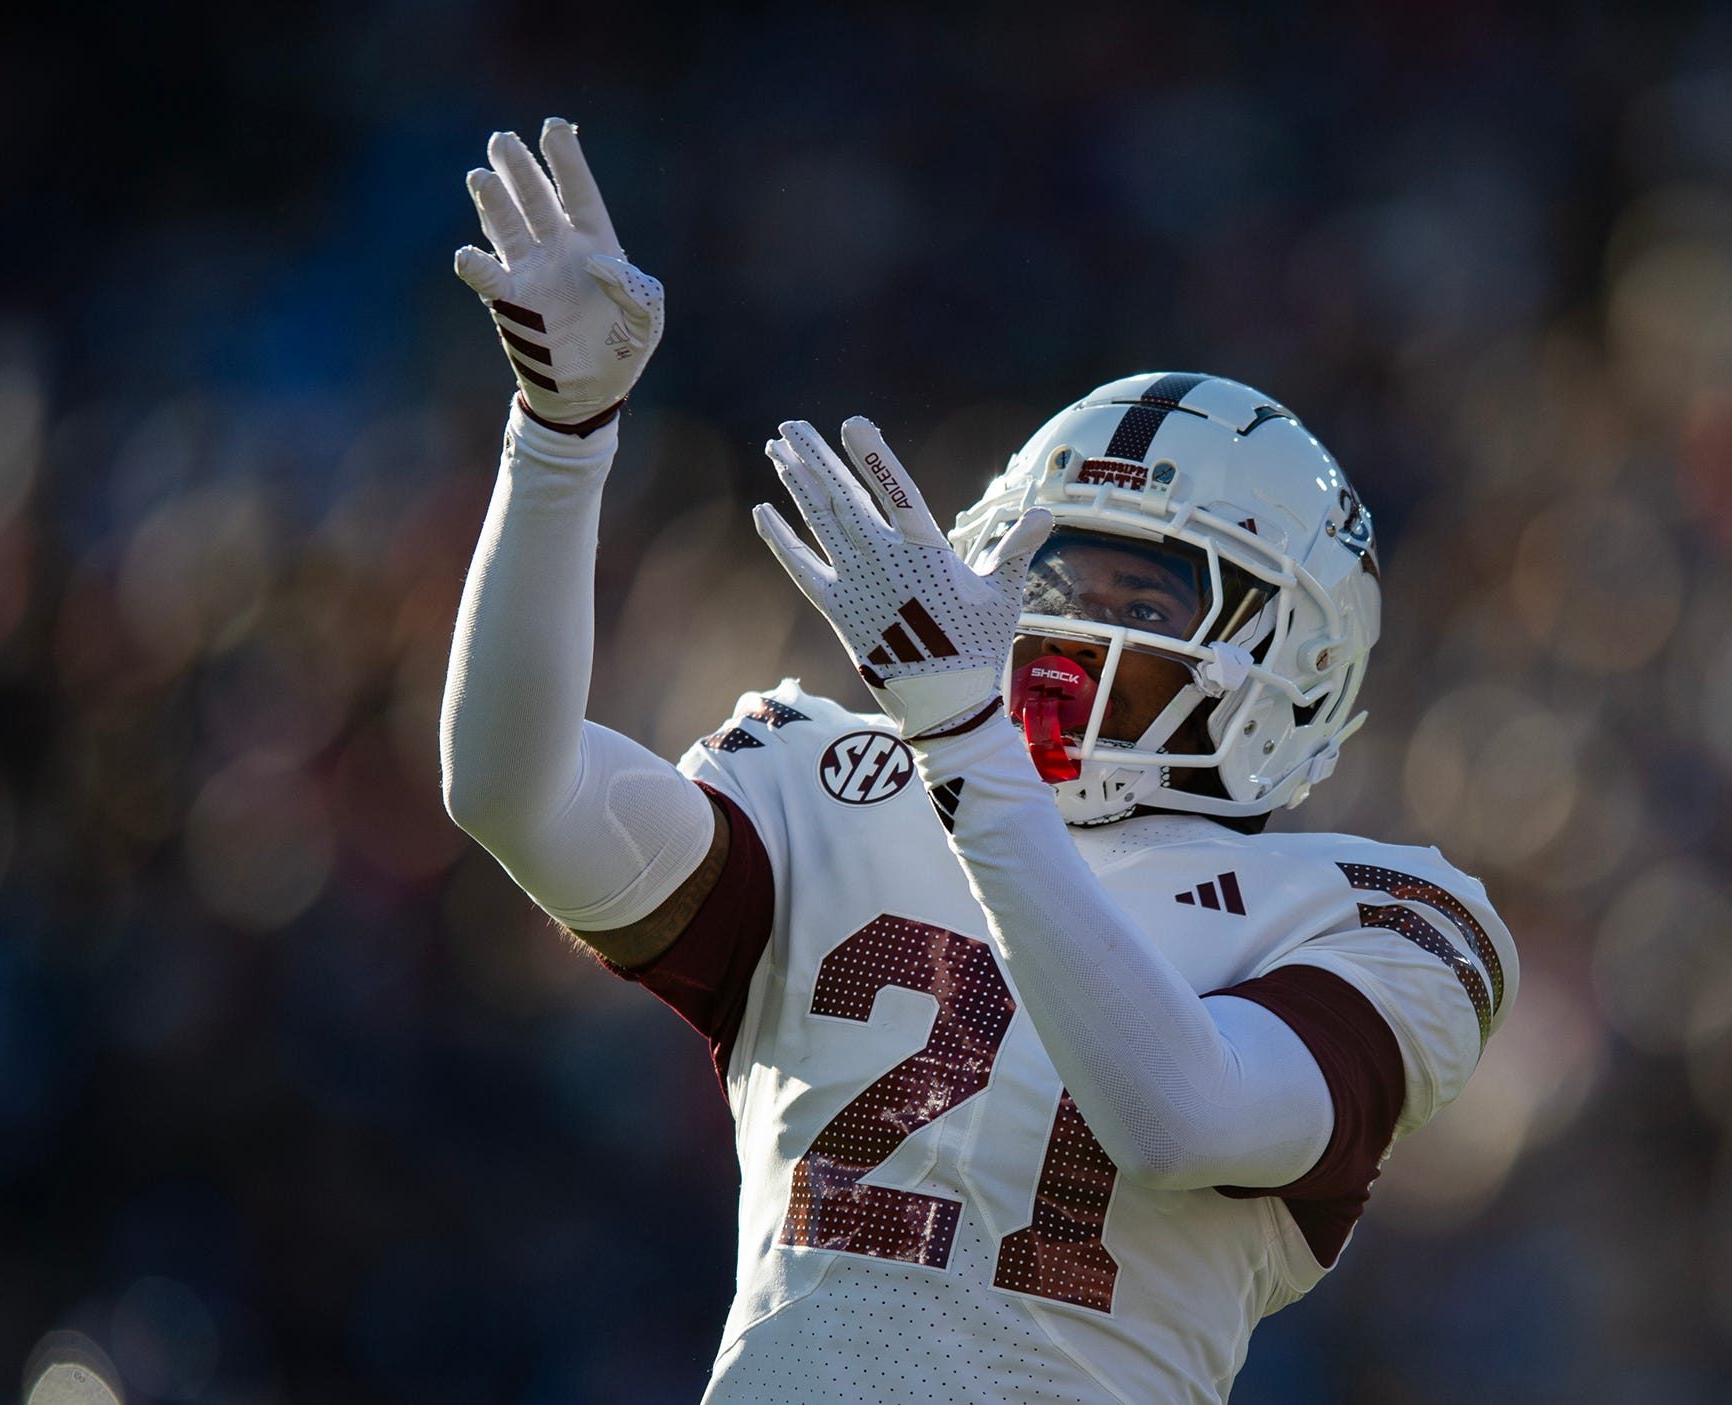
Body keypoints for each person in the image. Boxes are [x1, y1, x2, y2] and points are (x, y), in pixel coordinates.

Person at [440, 119, 1516, 1405]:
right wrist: (560, 440)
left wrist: (965, 746)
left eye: (1146, 600)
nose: (1067, 626)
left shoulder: (1377, 915)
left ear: (1290, 667)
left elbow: (1180, 1115)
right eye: (1050, 575)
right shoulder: (833, 778)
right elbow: (515, 789)